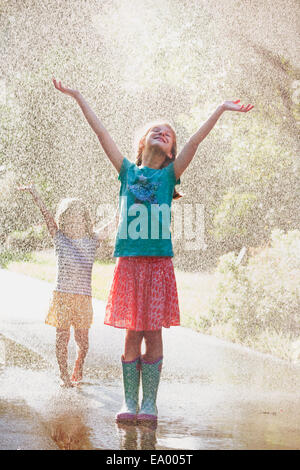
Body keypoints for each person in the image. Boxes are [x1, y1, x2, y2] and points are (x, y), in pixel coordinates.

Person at [52, 78, 254, 420]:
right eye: (157, 130)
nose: (165, 133)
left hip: (158, 265)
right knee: (133, 332)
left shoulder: (170, 175)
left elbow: (195, 141)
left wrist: (220, 109)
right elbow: (101, 133)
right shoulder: (127, 172)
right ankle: (130, 402)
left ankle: (150, 403)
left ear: (172, 152)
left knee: (153, 332)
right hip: (129, 265)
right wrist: (78, 96)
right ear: (142, 141)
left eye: (169, 134)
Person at [19, 184, 116, 387]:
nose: (73, 225)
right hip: (62, 296)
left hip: (82, 299)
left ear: (85, 222)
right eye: (68, 221)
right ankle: (63, 374)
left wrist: (126, 201)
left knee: (83, 341)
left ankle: (78, 364)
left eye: (77, 220)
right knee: (62, 337)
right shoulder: (59, 238)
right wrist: (36, 194)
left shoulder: (92, 240)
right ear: (62, 222)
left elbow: (112, 224)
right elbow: (47, 216)